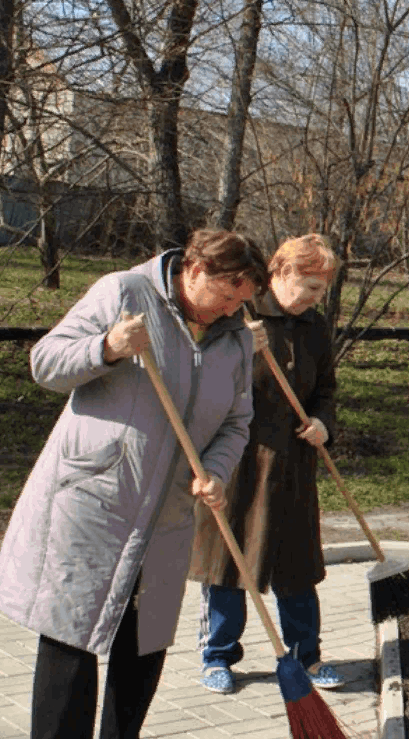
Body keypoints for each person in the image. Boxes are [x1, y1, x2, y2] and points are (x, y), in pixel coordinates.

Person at [0, 229, 269, 739]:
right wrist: (108, 346)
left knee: (144, 649)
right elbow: (46, 363)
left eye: (243, 300)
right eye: (228, 294)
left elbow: (238, 421)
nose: (235, 308)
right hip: (96, 502)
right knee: (72, 640)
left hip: (168, 516)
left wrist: (215, 469)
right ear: (195, 270)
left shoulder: (234, 337)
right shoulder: (124, 292)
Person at [190, 234, 343, 694]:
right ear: (282, 273)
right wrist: (238, 347)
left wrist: (322, 423)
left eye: (322, 290)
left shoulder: (315, 328)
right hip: (238, 460)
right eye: (312, 287)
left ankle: (307, 656)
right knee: (228, 562)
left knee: (296, 565)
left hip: (294, 463)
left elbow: (328, 390)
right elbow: (199, 378)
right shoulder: (238, 314)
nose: (317, 298)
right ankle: (217, 656)